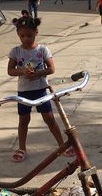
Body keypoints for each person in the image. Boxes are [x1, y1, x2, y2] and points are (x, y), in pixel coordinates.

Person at [7, 12, 73, 162]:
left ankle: (62, 145)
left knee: (49, 119)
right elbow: (10, 71)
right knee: (23, 121)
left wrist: (38, 74)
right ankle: (22, 148)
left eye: (29, 36)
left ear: (36, 33)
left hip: (41, 90)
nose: (26, 39)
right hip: (23, 92)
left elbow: (51, 69)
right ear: (18, 35)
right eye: (22, 36)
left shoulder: (42, 50)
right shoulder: (15, 51)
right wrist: (22, 71)